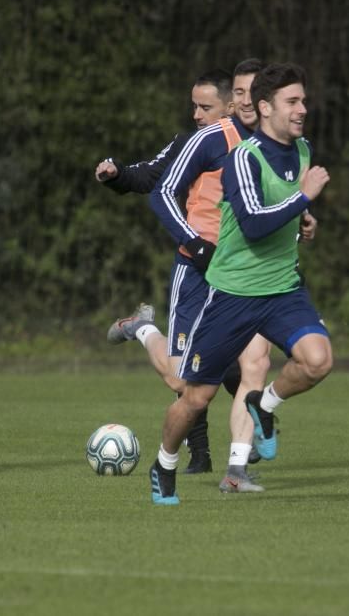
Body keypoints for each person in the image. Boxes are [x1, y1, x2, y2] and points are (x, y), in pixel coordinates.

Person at [149, 62, 333, 505]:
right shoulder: (243, 158)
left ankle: (263, 405)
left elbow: (284, 207)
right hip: (231, 293)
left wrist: (304, 220)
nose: (302, 109)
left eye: (303, 100)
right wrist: (303, 198)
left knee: (317, 361)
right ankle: (163, 465)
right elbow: (251, 223)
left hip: (282, 289)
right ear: (266, 108)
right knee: (194, 396)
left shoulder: (302, 149)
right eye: (293, 101)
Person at [97, 67, 250, 474]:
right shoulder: (192, 143)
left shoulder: (257, 145)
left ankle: (251, 426)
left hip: (240, 268)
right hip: (197, 266)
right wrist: (117, 175)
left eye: (206, 107)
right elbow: (151, 176)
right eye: (194, 107)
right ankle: (143, 329)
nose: (197, 114)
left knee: (244, 361)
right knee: (186, 376)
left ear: (231, 106)